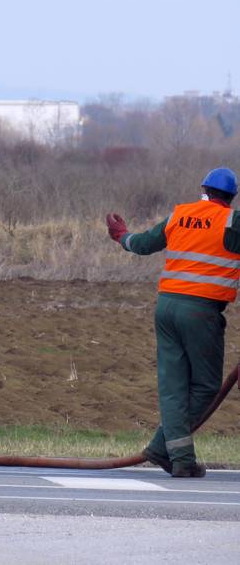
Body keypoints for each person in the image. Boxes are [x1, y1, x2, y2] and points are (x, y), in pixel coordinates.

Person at [106, 166, 240, 478]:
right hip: (201, 312)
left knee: (173, 388)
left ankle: (180, 460)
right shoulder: (232, 222)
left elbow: (140, 244)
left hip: (166, 309)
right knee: (206, 387)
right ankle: (162, 448)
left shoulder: (179, 215)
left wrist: (121, 235)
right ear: (231, 198)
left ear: (203, 190)